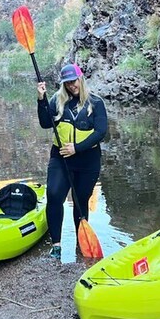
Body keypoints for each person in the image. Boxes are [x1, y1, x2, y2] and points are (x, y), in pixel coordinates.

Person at [37, 63, 107, 259]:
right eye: (67, 83)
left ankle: (80, 243)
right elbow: (44, 123)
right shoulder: (57, 100)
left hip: (88, 162)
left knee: (81, 201)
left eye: (73, 81)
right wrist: (41, 99)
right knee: (53, 195)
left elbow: (101, 132)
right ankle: (57, 245)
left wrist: (77, 148)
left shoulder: (96, 102)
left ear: (81, 79)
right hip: (61, 159)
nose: (71, 86)